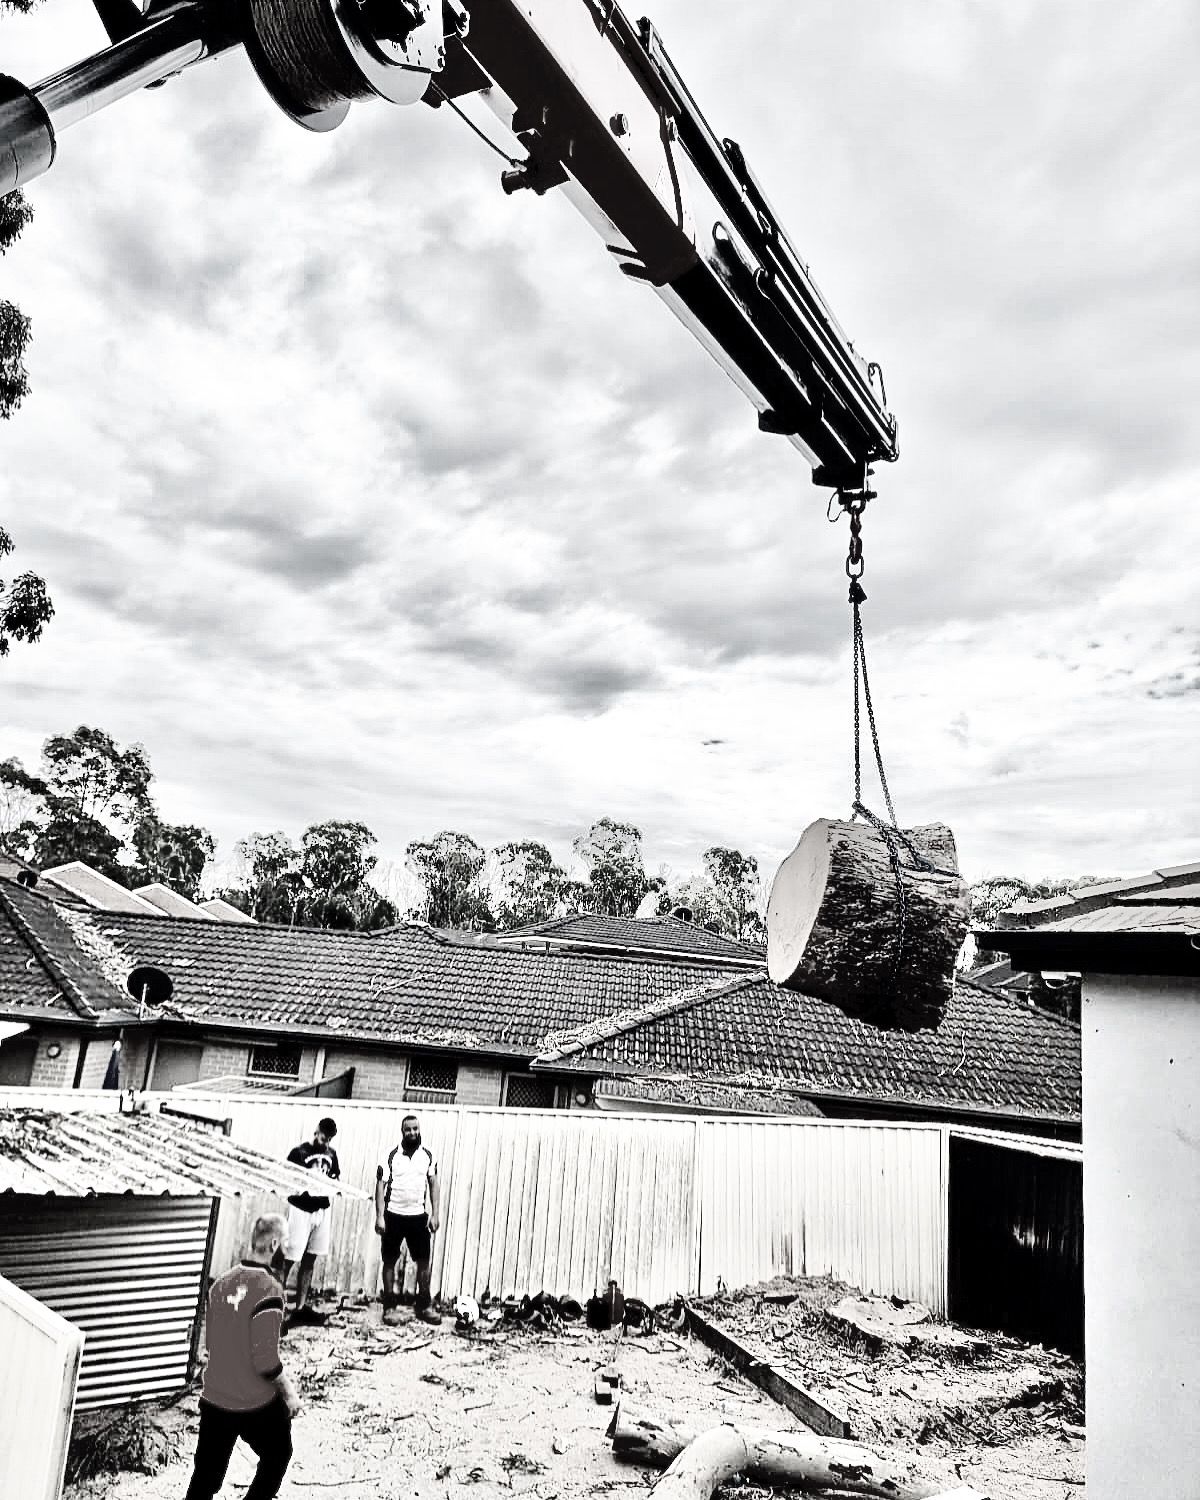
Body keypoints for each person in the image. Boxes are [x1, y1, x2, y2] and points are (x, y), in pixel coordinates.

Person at [184, 1213, 301, 1500]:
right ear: (274, 1244)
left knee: (205, 1479)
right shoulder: (269, 1290)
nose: (287, 1246)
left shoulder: (219, 1284)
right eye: (285, 1241)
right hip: (252, 1402)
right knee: (279, 1454)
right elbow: (266, 1362)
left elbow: (210, 1344)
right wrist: (290, 1395)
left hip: (215, 1399)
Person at [375, 1112, 442, 1326]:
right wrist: (379, 1217)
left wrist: (435, 1213)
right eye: (408, 1129)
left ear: (419, 1130)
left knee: (423, 1261)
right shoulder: (390, 1155)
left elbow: (434, 1184)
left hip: (418, 1217)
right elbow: (380, 1186)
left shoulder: (428, 1156)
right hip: (393, 1215)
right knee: (389, 1261)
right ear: (402, 1132)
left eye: (415, 1129)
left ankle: (424, 1305)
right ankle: (389, 1307)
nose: (412, 1132)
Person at [282, 1115, 341, 1325]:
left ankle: (300, 1307)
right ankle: (277, 1307)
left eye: (328, 1140)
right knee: (290, 1257)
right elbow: (286, 1177)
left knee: (311, 1258)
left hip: (321, 1209)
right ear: (316, 1132)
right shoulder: (300, 1152)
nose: (324, 1143)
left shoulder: (332, 1154)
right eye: (322, 1138)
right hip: (301, 1208)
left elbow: (335, 1178)